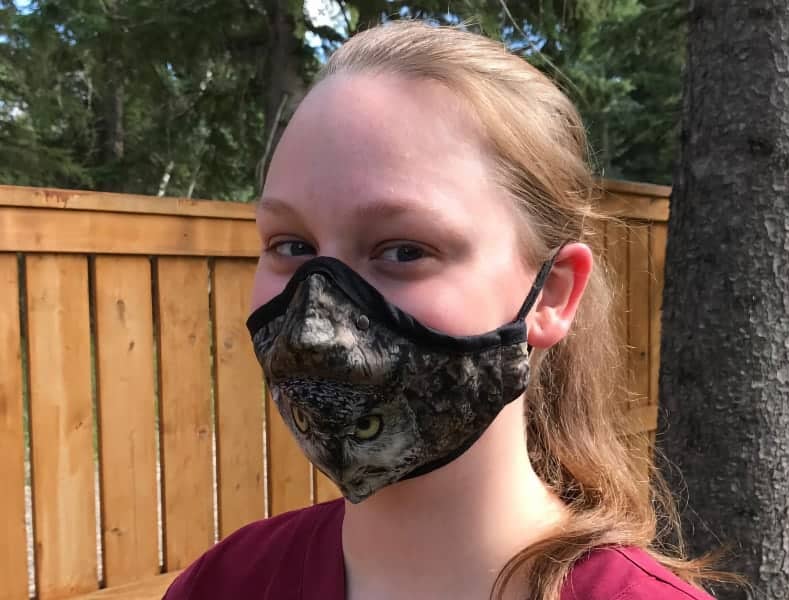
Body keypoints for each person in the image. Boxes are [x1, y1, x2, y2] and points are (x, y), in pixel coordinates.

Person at [164, 20, 724, 600]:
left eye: (404, 251)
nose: (315, 325)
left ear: (552, 294)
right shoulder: (223, 583)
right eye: (291, 246)